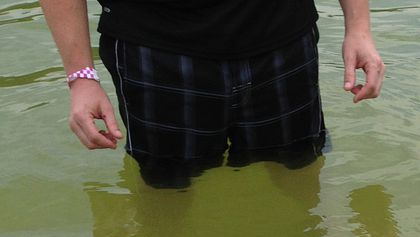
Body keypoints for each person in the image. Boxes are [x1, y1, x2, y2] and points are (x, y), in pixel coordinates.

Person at [39, 0, 384, 185]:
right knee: (166, 184)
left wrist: (359, 28)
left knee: (298, 166)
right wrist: (81, 76)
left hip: (282, 37)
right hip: (155, 49)